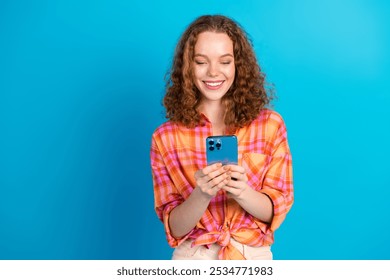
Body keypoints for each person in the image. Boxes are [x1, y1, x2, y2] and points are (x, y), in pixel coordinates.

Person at [150, 15, 293, 260]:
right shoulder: (165, 138)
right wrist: (201, 194)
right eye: (201, 62)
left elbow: (276, 209)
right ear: (188, 67)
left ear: (238, 65)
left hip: (252, 257)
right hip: (194, 258)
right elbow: (174, 228)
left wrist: (242, 192)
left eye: (224, 61)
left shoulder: (270, 125)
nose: (213, 72)